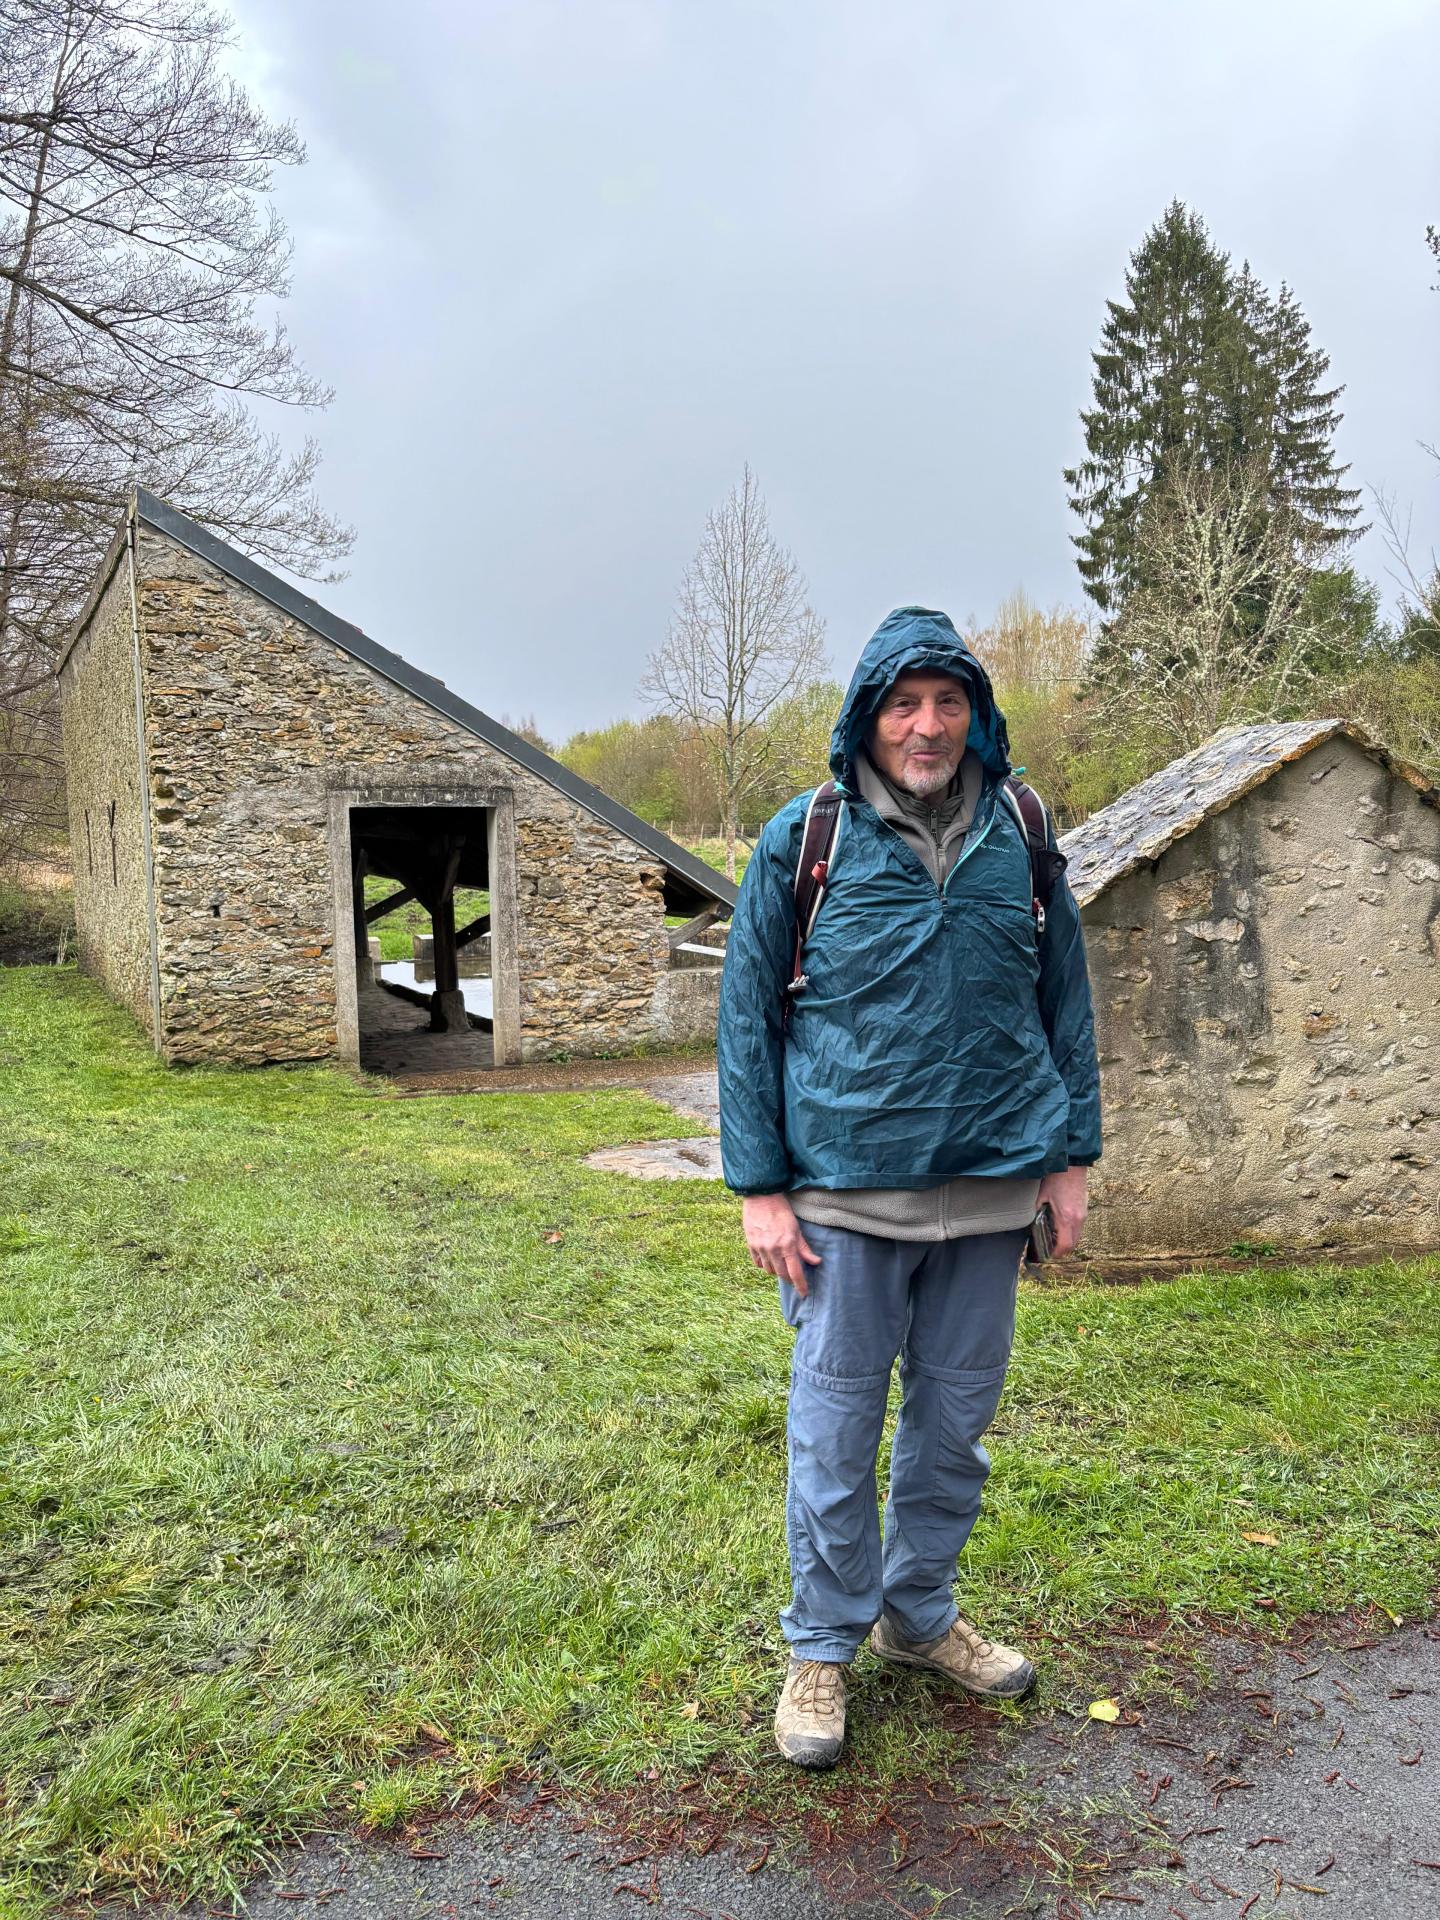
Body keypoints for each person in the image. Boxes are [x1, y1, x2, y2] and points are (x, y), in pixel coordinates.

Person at [717, 606, 1101, 1769]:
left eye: (947, 703)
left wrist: (1071, 1159)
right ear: (868, 719)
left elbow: (1067, 1003)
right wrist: (760, 1189)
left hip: (993, 1194)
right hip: (844, 1197)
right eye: (904, 704)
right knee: (836, 1432)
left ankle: (919, 1618)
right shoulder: (807, 837)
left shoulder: (1023, 831)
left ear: (976, 714)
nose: (927, 726)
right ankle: (822, 1649)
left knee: (954, 1430)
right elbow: (748, 1019)